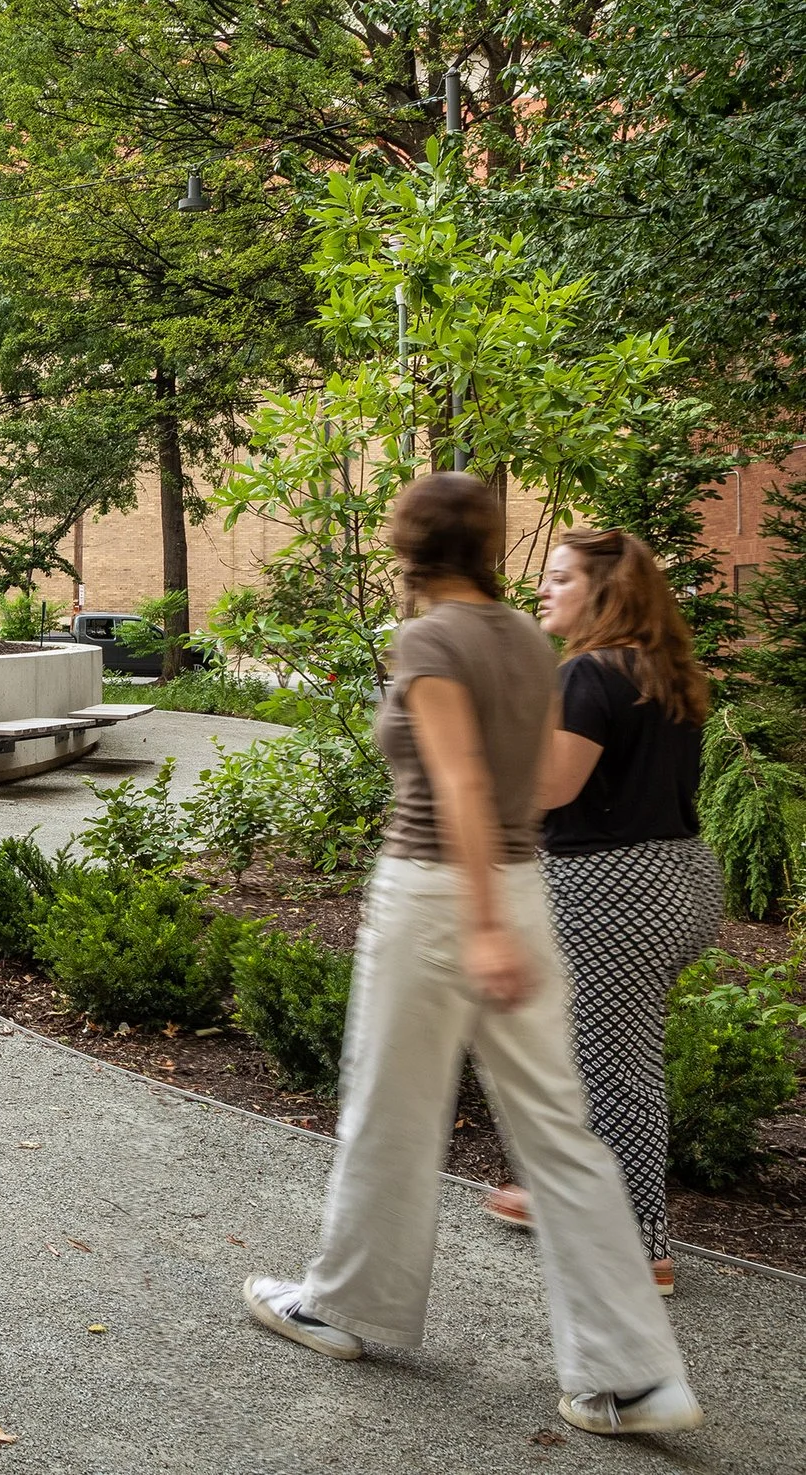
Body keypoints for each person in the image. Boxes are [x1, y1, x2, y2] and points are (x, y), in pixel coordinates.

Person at [240, 473, 698, 1438]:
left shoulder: (432, 639)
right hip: (527, 887)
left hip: (441, 895)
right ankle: (634, 1376)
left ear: (408, 546)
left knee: (390, 1108)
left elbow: (458, 785)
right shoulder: (529, 641)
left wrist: (481, 925)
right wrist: (505, 916)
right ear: (487, 543)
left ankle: (341, 1304)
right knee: (562, 1133)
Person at [479, 530, 717, 1296]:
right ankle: (562, 1194)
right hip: (676, 876)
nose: (542, 590)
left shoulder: (588, 670)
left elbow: (550, 786)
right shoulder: (664, 671)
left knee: (612, 1066)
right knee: (591, 1050)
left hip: (610, 886)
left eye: (559, 577)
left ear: (605, 591)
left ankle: (642, 1248)